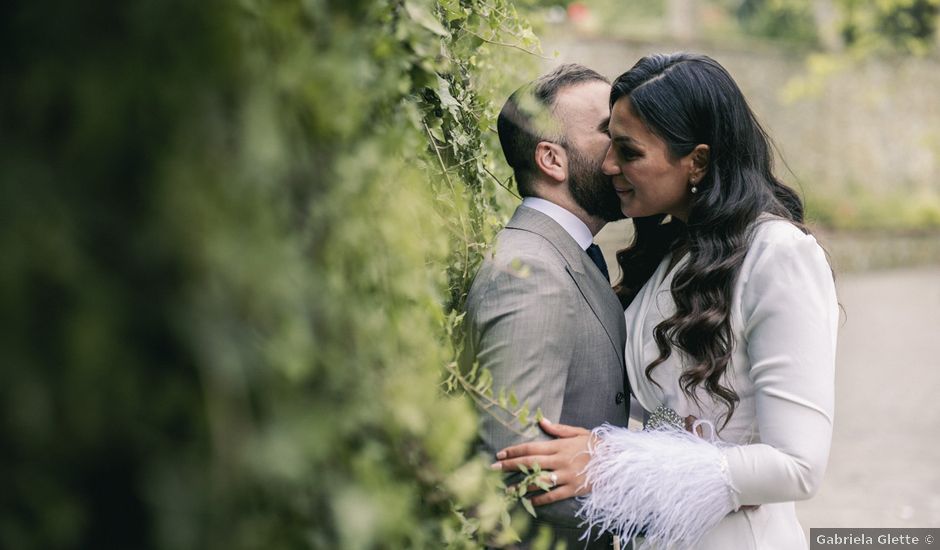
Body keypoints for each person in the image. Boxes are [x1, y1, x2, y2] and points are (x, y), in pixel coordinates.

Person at [491, 53, 840, 549]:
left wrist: (612, 463)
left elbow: (798, 467)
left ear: (696, 160)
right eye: (609, 142)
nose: (609, 164)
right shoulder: (673, 249)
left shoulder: (778, 255)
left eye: (629, 151)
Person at [461, 64, 630, 549]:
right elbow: (516, 465)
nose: (625, 147)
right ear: (552, 159)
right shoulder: (531, 272)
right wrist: (667, 501)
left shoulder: (566, 257)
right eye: (608, 132)